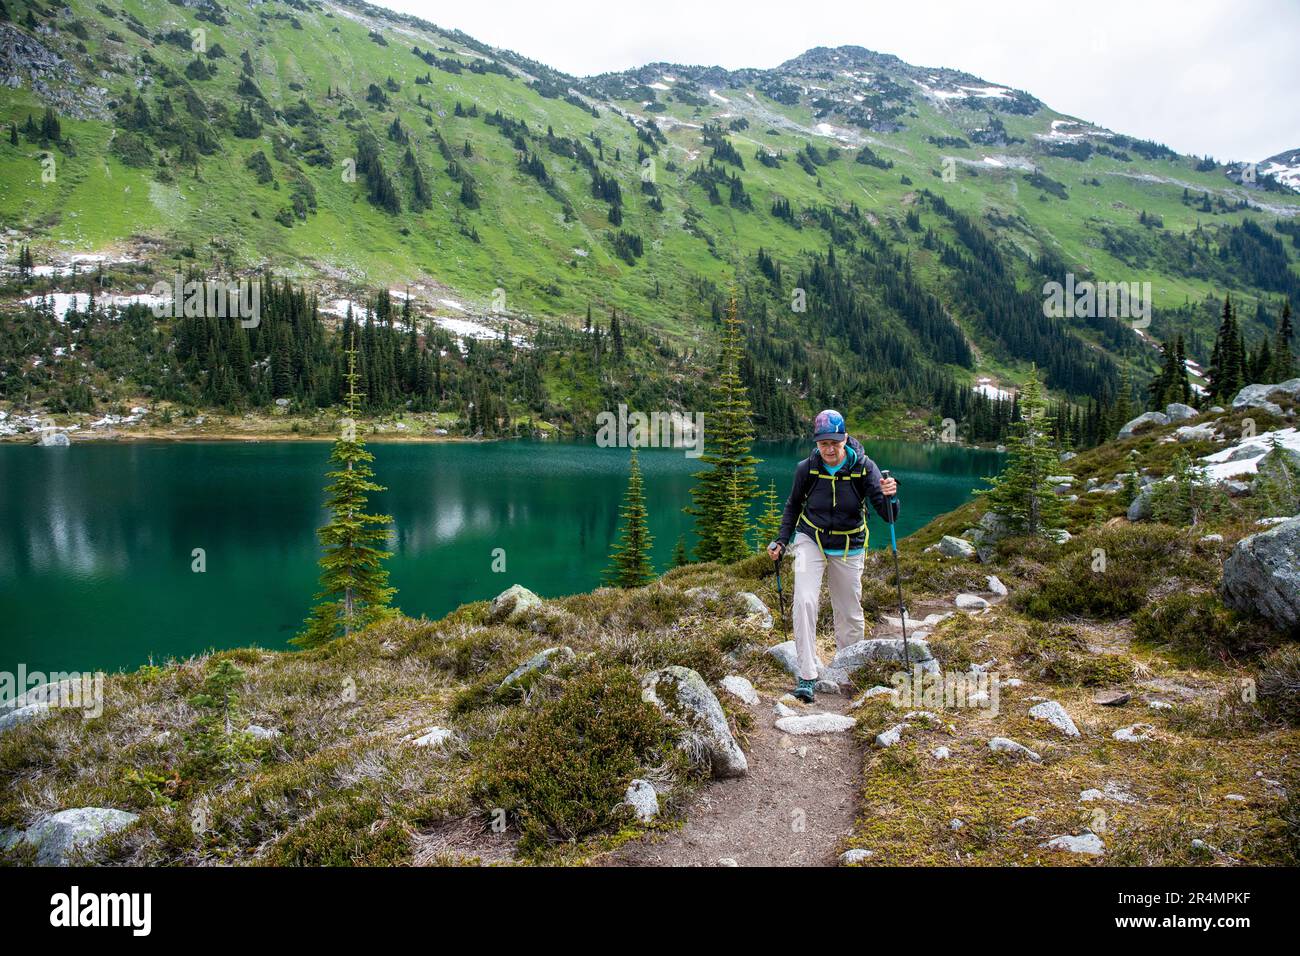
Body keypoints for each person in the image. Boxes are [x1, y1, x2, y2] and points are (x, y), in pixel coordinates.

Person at [766, 409, 898, 703]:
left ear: (845, 439)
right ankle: (807, 675)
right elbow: (792, 506)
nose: (829, 449)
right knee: (804, 600)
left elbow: (889, 516)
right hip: (809, 539)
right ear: (816, 442)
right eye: (823, 443)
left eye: (834, 443)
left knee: (849, 609)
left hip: (850, 545)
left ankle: (850, 668)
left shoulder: (864, 468)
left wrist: (891, 495)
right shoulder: (807, 469)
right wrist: (781, 540)